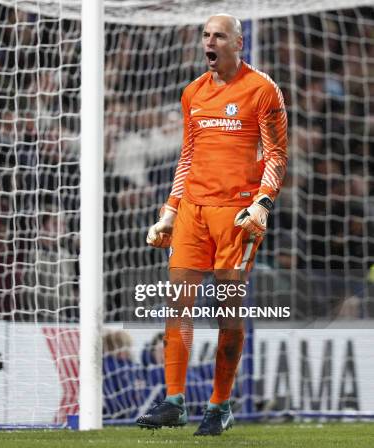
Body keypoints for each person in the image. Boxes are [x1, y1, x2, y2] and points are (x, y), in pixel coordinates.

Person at [136, 14, 287, 436]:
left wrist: (262, 202)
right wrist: (169, 212)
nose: (210, 42)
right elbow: (187, 158)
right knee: (178, 303)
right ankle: (173, 401)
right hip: (192, 213)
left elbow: (276, 155)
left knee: (226, 311)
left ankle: (220, 405)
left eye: (219, 35)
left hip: (236, 217)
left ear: (238, 43)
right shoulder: (192, 94)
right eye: (205, 35)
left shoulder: (262, 90)